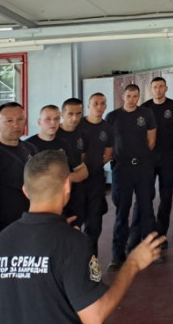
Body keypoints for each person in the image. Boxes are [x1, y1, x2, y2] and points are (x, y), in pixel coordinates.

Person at [0, 150, 164, 324]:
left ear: (25, 191)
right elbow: (95, 316)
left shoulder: (1, 242)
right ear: (67, 185)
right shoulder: (72, 242)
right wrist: (133, 264)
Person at [106, 84, 157, 270]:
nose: (132, 99)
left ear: (139, 97)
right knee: (122, 212)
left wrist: (139, 156)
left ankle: (150, 252)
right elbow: (109, 144)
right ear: (123, 96)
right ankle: (117, 255)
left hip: (143, 167)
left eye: (135, 96)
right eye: (129, 96)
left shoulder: (146, 114)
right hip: (122, 169)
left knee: (147, 209)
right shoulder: (113, 117)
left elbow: (151, 141)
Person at [134, 77, 173, 247]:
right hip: (148, 158)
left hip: (168, 157)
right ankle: (145, 233)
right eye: (155, 87)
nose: (158, 89)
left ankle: (161, 234)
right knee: (145, 195)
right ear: (151, 89)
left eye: (161, 86)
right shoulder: (144, 108)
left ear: (166, 88)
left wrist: (168, 139)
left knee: (166, 196)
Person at [26, 105, 89, 227]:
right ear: (39, 122)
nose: (53, 123)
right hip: (40, 209)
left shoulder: (65, 144)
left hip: (67, 206)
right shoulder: (28, 146)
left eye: (56, 119)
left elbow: (83, 172)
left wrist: (62, 179)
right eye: (48, 119)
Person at [0, 102, 38, 235]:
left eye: (20, 119)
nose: (16, 125)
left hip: (32, 219)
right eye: (9, 121)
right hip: (4, 225)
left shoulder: (31, 149)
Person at [78, 93, 113, 255]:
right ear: (88, 106)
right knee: (75, 221)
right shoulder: (79, 125)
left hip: (96, 179)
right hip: (76, 182)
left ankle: (92, 261)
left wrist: (94, 166)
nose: (99, 107)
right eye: (95, 103)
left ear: (105, 106)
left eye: (102, 103)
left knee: (94, 224)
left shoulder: (107, 128)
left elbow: (108, 154)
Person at [58, 98, 88, 228]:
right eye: (70, 114)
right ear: (62, 114)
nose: (75, 118)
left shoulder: (82, 133)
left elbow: (82, 159)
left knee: (77, 224)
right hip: (57, 190)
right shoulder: (54, 134)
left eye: (78, 113)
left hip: (77, 187)